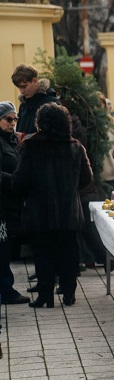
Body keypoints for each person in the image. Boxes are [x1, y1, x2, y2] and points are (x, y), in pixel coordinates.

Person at [13, 103, 93, 308]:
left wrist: (26, 196)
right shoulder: (75, 146)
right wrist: (70, 190)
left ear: (41, 123)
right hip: (68, 211)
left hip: (39, 211)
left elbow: (20, 180)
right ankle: (68, 293)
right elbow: (86, 178)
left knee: (42, 253)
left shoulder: (30, 146)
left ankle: (45, 295)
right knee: (68, 252)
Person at [0, 102, 30, 305]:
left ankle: (6, 289)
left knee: (6, 247)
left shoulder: (10, 140)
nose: (13, 123)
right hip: (3, 202)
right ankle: (6, 291)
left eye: (15, 119)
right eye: (8, 119)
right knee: (2, 249)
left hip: (11, 201)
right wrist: (14, 180)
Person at [11, 64, 60, 136]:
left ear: (35, 81)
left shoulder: (51, 104)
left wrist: (24, 137)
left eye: (24, 87)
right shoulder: (23, 105)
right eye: (19, 87)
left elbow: (55, 135)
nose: (21, 91)